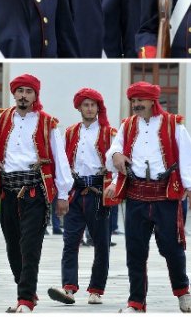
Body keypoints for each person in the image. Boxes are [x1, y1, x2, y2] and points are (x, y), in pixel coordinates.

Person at [103, 81, 191, 313]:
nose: (136, 105)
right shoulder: (128, 126)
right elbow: (113, 150)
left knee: (173, 248)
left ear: (153, 101)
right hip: (136, 195)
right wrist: (118, 155)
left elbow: (189, 157)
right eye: (134, 101)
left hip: (166, 195)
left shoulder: (174, 125)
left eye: (141, 100)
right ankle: (136, 302)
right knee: (135, 250)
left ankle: (182, 291)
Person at [0, 74, 74, 312]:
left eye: (28, 91)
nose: (23, 95)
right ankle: (27, 291)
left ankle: (25, 300)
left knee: (30, 246)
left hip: (35, 192)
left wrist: (62, 195)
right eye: (20, 91)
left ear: (35, 95)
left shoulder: (48, 123)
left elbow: (60, 160)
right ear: (14, 94)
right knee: (12, 247)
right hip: (8, 191)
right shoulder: (2, 118)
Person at [48, 88, 117, 305]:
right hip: (75, 193)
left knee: (101, 244)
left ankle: (96, 290)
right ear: (79, 107)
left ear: (98, 108)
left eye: (92, 105)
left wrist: (114, 186)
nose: (89, 108)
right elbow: (61, 162)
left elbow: (116, 165)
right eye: (85, 105)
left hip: (98, 193)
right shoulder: (69, 132)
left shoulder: (110, 133)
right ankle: (68, 288)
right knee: (70, 241)